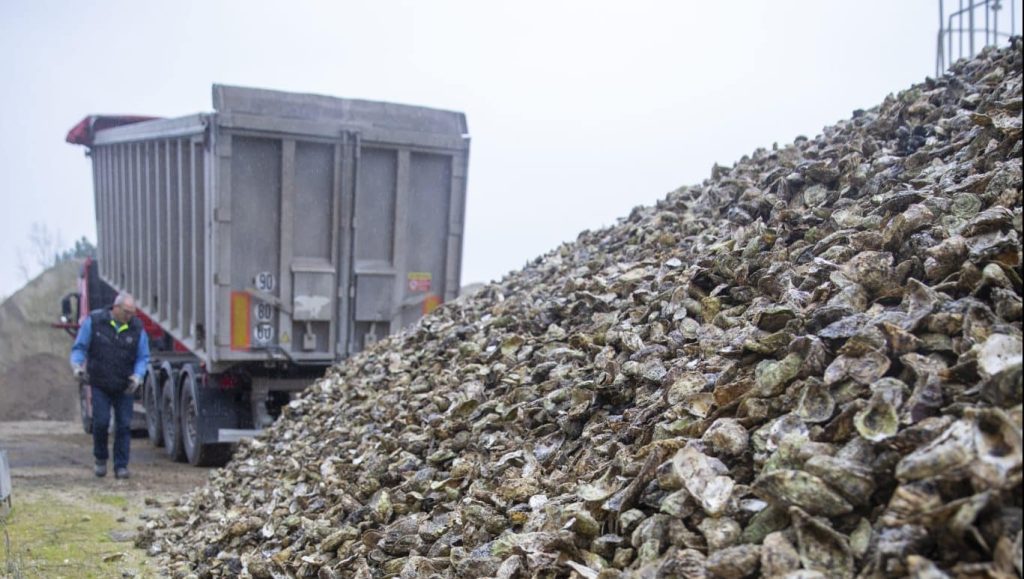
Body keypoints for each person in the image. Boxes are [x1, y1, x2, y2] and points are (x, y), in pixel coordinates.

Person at [70, 292, 150, 479]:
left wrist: (138, 376)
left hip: (124, 386)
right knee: (101, 422)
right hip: (100, 383)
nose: (130, 316)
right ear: (116, 307)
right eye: (127, 312)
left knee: (123, 425)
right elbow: (80, 347)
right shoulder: (95, 322)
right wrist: (77, 366)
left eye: (133, 313)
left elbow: (143, 357)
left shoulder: (137, 329)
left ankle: (121, 466)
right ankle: (100, 459)